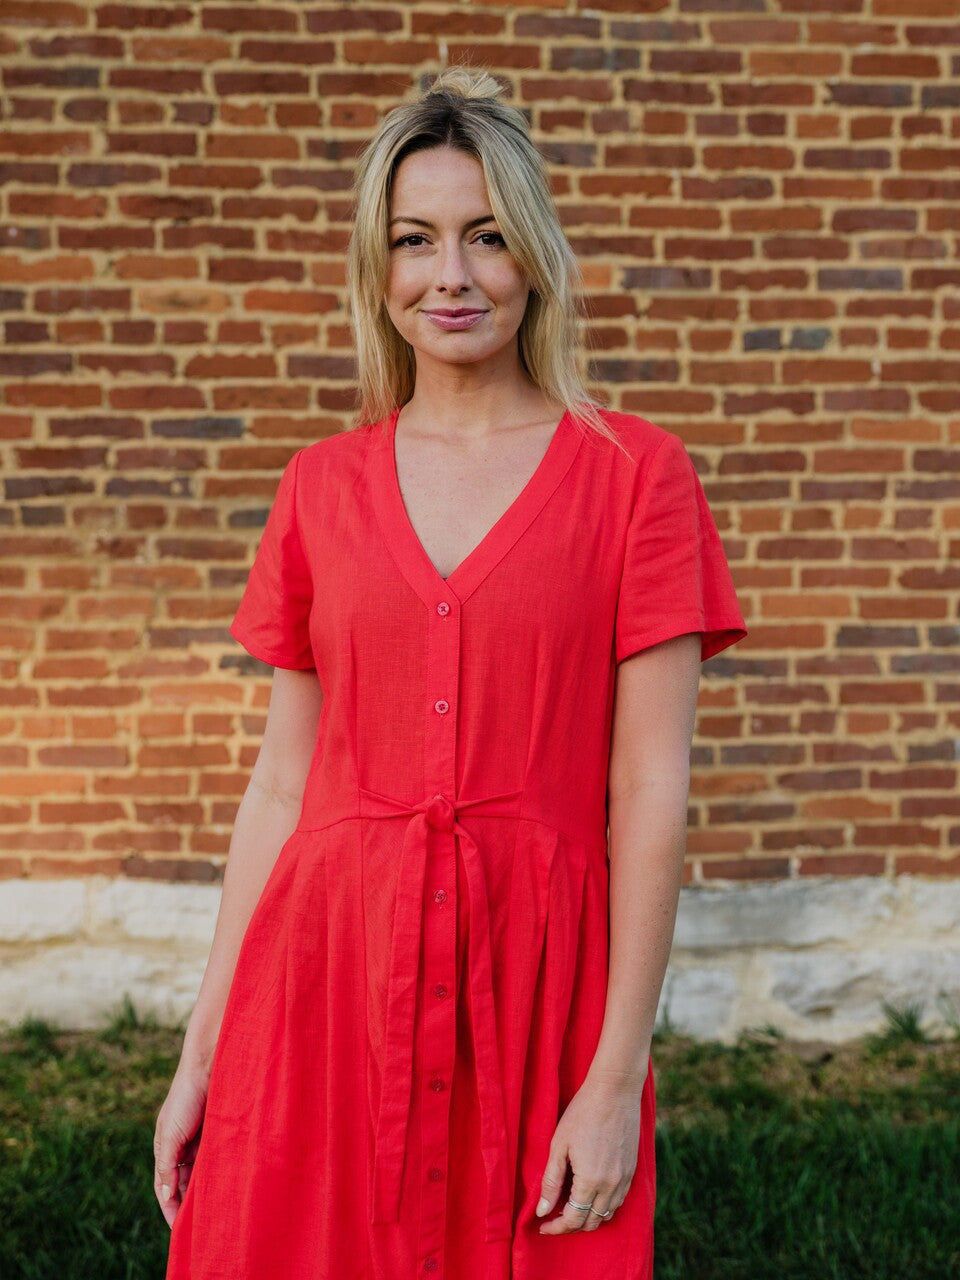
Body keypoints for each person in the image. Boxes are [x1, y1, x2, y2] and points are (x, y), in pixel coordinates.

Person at [156, 64, 748, 1280]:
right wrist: (200, 1052)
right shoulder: (320, 486)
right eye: (415, 241)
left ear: (533, 254)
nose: (453, 276)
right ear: (380, 270)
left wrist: (616, 1075)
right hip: (325, 986)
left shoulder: (638, 476)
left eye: (486, 237)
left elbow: (648, 789)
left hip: (536, 990)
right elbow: (281, 786)